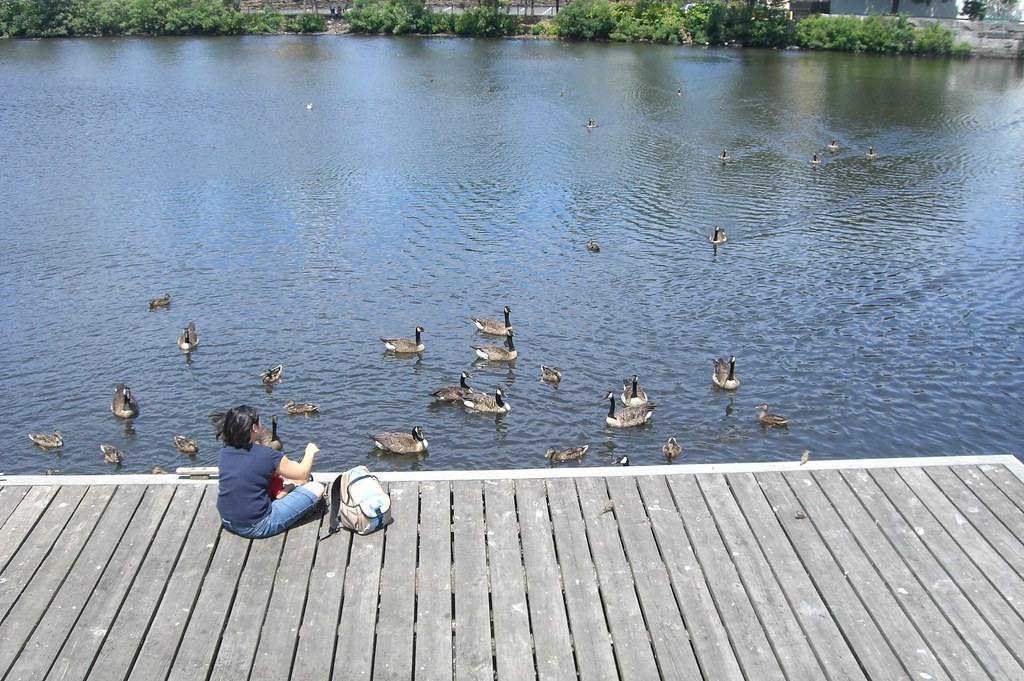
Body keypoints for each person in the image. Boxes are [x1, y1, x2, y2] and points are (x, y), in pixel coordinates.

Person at [216, 405, 325, 538]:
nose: (262, 425)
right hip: (257, 525)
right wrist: (310, 452)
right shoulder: (266, 454)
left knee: (286, 478)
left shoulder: (224, 452)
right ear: (254, 428)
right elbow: (302, 473)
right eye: (260, 422)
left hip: (227, 520)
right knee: (316, 487)